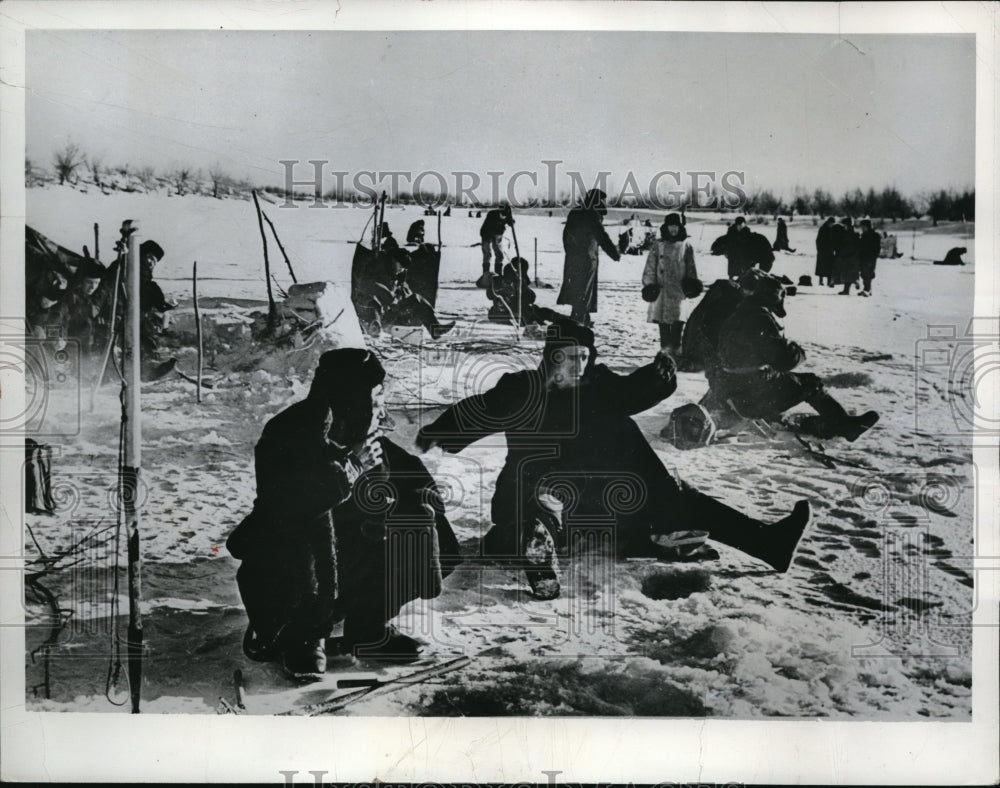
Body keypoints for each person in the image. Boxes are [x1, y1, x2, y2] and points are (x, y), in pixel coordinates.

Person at [416, 321, 812, 600]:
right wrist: (438, 435)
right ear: (551, 358)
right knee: (535, 511)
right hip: (534, 485)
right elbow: (480, 410)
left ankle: (768, 542)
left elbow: (632, 391)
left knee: (676, 496)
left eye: (585, 357)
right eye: (569, 357)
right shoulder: (522, 389)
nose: (579, 365)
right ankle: (537, 549)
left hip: (600, 498)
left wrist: (660, 377)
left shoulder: (599, 386)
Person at [227, 349, 461, 676]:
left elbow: (414, 484)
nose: (381, 406)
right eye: (375, 397)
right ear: (351, 396)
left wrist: (423, 520)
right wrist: (351, 466)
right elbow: (290, 507)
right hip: (292, 565)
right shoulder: (289, 432)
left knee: (415, 518)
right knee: (304, 532)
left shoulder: (367, 435)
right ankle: (302, 637)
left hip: (343, 568)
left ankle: (368, 629)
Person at [712, 277, 879, 441]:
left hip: (730, 389)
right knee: (810, 384)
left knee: (792, 382)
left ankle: (825, 425)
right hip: (749, 398)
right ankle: (846, 427)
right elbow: (784, 361)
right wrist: (797, 351)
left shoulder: (739, 313)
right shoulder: (760, 318)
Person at [557, 189, 621, 325]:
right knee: (584, 290)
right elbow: (601, 235)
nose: (605, 203)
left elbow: (565, 235)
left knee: (578, 288)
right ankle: (578, 322)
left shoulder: (575, 212)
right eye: (603, 200)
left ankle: (583, 318)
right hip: (587, 258)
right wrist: (614, 253)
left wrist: (570, 252)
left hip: (573, 258)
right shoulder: (592, 214)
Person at [642, 213, 698, 356]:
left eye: (676, 226)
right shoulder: (658, 245)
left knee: (678, 320)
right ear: (665, 227)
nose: (673, 229)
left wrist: (692, 284)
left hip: (679, 290)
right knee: (663, 321)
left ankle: (677, 350)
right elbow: (650, 266)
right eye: (670, 226)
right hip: (662, 290)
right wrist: (649, 285)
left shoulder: (686, 245)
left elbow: (691, 267)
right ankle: (665, 351)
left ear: (680, 227)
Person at [477, 205, 514, 287]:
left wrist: (511, 221)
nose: (503, 217)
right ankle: (486, 276)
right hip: (486, 234)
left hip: (497, 234)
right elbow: (490, 227)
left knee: (499, 255)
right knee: (487, 254)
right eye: (502, 215)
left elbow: (511, 222)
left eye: (505, 216)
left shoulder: (506, 215)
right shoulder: (492, 214)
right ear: (499, 212)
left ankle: (498, 275)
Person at [832, 217, 861, 295]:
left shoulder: (848, 234)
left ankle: (847, 289)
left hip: (848, 256)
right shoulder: (854, 233)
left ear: (847, 225)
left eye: (844, 225)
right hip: (852, 257)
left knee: (847, 274)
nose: (843, 226)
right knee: (849, 274)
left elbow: (847, 245)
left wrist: (842, 253)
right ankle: (850, 286)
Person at [857, 218, 881, 296]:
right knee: (864, 274)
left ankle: (867, 289)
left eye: (863, 227)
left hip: (869, 258)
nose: (862, 229)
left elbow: (876, 248)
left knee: (868, 274)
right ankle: (867, 289)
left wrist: (873, 257)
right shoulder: (865, 235)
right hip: (864, 258)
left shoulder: (873, 235)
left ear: (866, 226)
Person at [814, 217, 836, 286]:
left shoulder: (832, 229)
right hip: (822, 251)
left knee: (829, 267)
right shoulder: (823, 229)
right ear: (828, 222)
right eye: (831, 223)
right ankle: (820, 281)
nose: (832, 225)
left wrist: (833, 248)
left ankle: (829, 281)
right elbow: (818, 240)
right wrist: (819, 249)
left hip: (829, 251)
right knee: (822, 266)